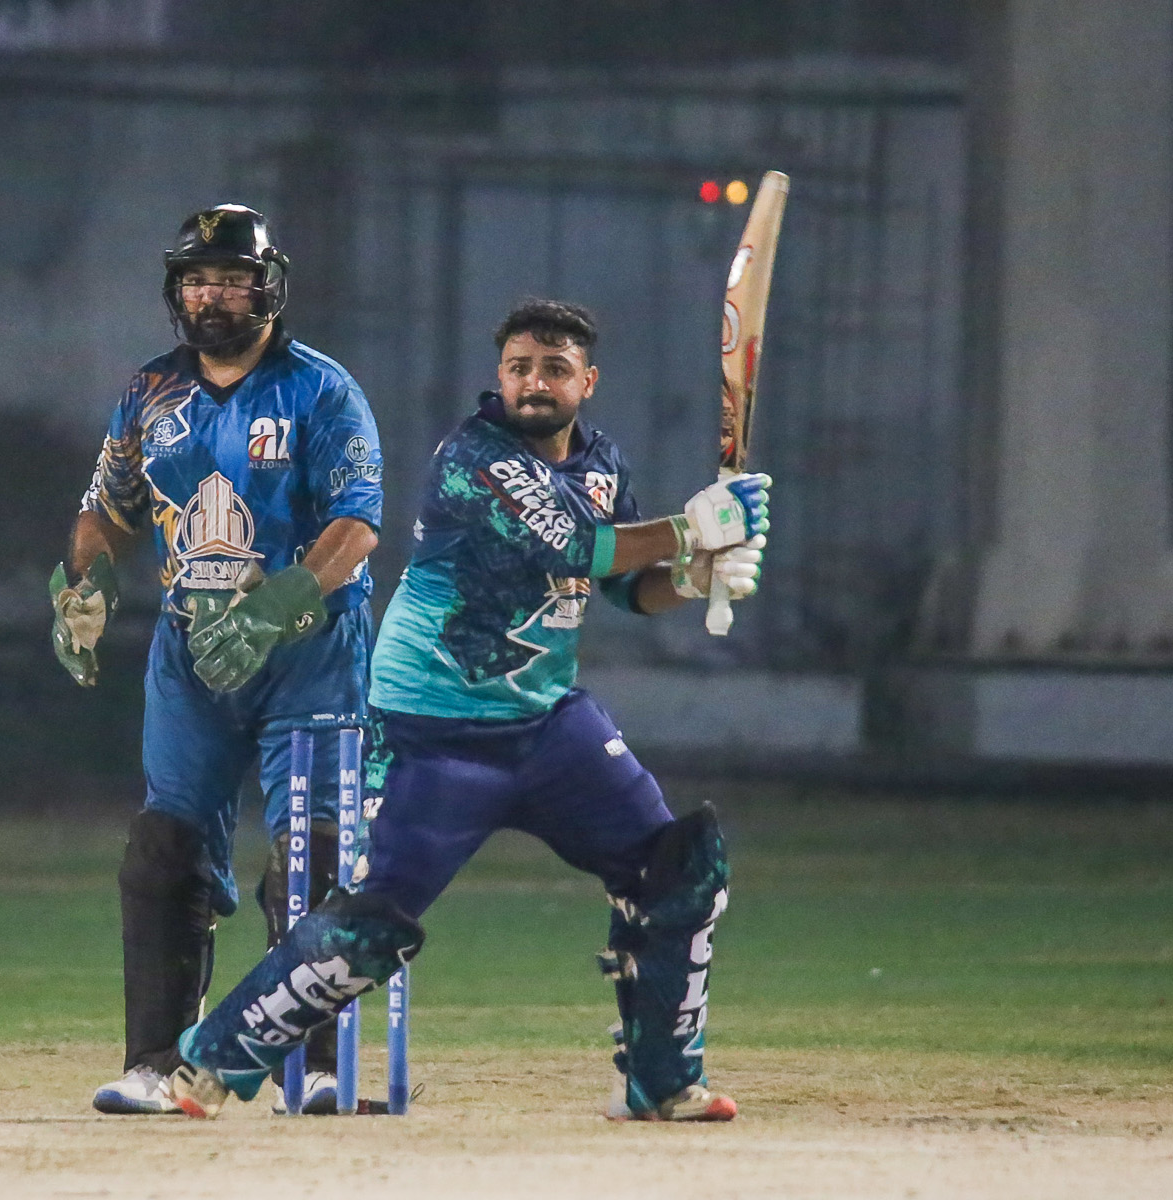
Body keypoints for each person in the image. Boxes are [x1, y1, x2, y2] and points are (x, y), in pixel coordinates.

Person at [160, 297, 768, 1122]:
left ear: (587, 382)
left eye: (554, 369)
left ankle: (661, 1081)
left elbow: (625, 586)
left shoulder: (601, 462)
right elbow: (570, 544)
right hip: (433, 729)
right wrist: (693, 527)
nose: (534, 383)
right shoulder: (475, 456)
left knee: (679, 869)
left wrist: (693, 577)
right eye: (519, 368)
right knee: (373, 922)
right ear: (499, 377)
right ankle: (209, 1061)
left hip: (548, 726)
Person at [49, 203, 383, 1116]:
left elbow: (356, 526)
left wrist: (275, 608)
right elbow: (104, 509)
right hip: (189, 653)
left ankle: (313, 1067)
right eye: (197, 281)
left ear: (268, 290)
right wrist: (82, 589)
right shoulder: (149, 392)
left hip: (308, 649)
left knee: (313, 854)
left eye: (233, 281)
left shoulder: (321, 391)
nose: (213, 297)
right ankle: (157, 1064)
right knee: (164, 846)